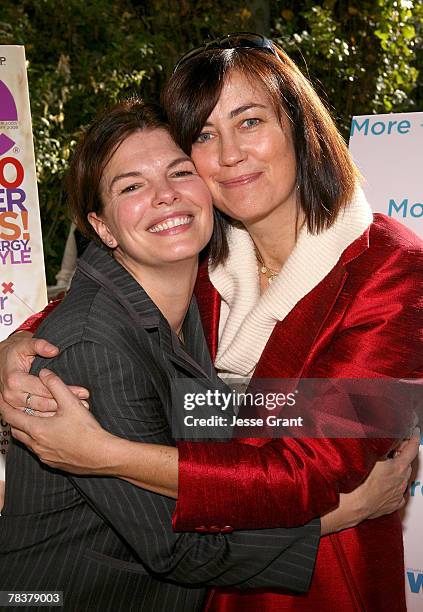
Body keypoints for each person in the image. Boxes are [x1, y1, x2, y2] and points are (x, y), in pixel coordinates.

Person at [1, 33, 421, 611]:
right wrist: (22, 341)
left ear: (299, 125)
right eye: (203, 134)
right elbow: (117, 290)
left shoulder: (389, 267)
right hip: (205, 582)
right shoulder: (208, 261)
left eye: (250, 122)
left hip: (320, 576)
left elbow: (310, 472)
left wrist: (105, 454)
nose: (229, 155)